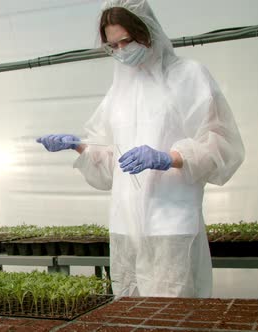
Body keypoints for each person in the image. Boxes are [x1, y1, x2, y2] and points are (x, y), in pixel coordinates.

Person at [37, 0, 244, 297]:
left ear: (147, 32)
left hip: (171, 221)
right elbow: (111, 165)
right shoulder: (120, 90)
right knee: (130, 312)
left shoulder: (188, 76)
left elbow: (222, 144)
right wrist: (80, 146)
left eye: (125, 41)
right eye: (113, 46)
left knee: (173, 311)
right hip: (125, 226)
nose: (121, 51)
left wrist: (169, 157)